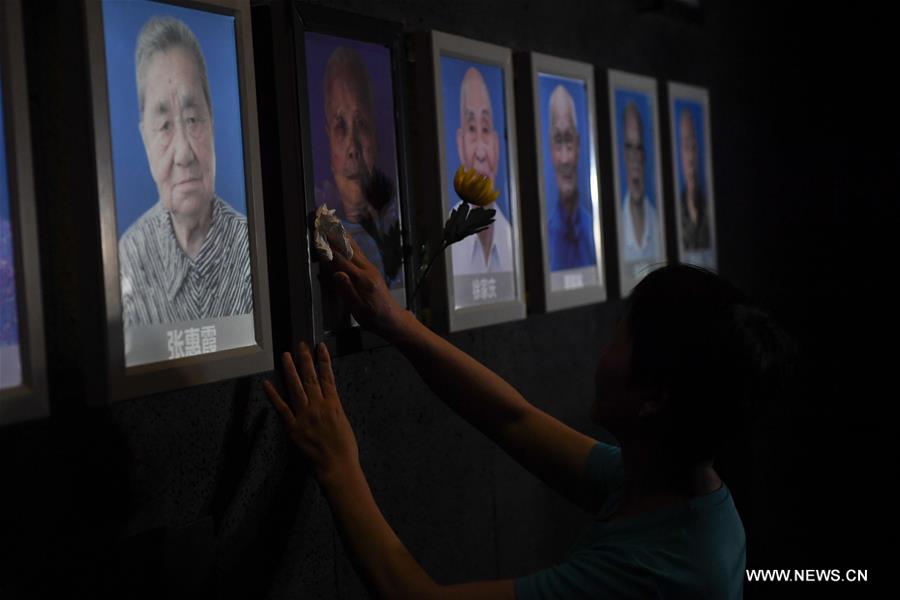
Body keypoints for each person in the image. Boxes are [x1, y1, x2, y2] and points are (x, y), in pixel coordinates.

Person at [265, 237, 793, 598]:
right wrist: (397, 323)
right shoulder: (675, 483)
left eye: (620, 336)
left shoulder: (655, 573)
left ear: (653, 398)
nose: (605, 352)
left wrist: (338, 463)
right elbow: (511, 418)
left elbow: (414, 596)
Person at [118, 16, 252, 327]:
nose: (183, 153)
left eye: (193, 119)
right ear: (145, 139)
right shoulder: (128, 261)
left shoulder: (251, 251)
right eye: (164, 126)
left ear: (212, 123)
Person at [315, 46, 402, 286]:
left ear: (374, 132)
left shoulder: (397, 220)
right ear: (328, 137)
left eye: (361, 123)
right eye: (340, 125)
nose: (352, 146)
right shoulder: (320, 230)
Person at [450, 67, 513, 276]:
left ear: (496, 144)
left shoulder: (513, 239)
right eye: (471, 129)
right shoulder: (447, 238)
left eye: (485, 129)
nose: (480, 152)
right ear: (460, 144)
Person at [546, 85, 595, 271]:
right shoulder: (544, 236)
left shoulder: (594, 230)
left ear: (579, 145)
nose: (565, 159)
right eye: (558, 141)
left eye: (569, 139)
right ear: (550, 148)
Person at [620, 101, 660, 264]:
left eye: (639, 148)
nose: (635, 157)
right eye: (629, 147)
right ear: (622, 155)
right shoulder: (616, 226)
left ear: (644, 155)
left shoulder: (658, 222)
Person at [678, 107, 711, 250]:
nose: (691, 157)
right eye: (686, 147)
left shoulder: (708, 205)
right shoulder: (677, 208)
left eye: (693, 147)